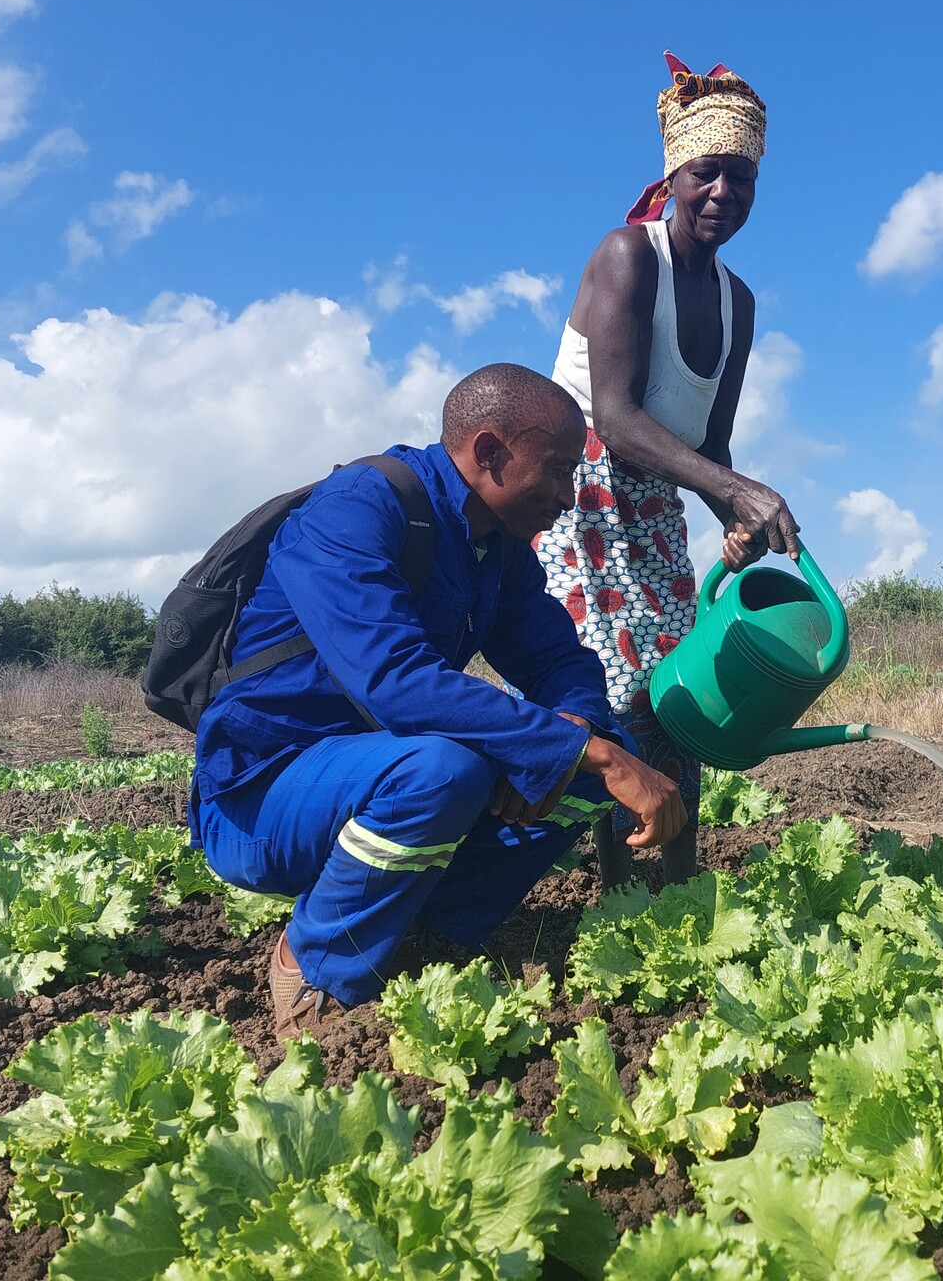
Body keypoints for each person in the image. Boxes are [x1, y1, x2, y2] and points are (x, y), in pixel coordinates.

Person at [191, 363, 685, 1040]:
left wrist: (578, 729)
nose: (569, 499)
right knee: (446, 770)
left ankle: (429, 936)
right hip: (263, 799)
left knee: (592, 764)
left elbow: (557, 659)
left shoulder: (499, 551)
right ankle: (317, 966)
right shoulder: (359, 506)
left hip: (377, 774)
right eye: (558, 470)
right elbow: (395, 680)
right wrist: (579, 749)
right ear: (489, 453)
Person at [538, 52, 800, 891]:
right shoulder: (626, 256)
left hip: (649, 512)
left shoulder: (739, 303)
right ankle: (622, 896)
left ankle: (674, 895)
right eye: (707, 173)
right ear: (675, 176)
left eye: (743, 178)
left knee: (676, 700)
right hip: (576, 497)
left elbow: (711, 447)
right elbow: (613, 419)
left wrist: (736, 514)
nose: (724, 192)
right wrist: (732, 490)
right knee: (620, 697)